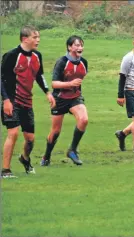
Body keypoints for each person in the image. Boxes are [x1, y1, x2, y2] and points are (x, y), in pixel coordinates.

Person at [1, 25, 55, 177]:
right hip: (12, 101)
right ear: (25, 39)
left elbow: (39, 76)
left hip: (27, 102)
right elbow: (1, 78)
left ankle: (24, 159)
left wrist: (47, 93)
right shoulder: (11, 55)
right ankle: (5, 170)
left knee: (30, 139)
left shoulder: (37, 56)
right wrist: (6, 100)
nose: (38, 40)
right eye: (34, 37)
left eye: (38, 37)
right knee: (13, 133)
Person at [40, 35, 88, 166]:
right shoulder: (62, 62)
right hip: (59, 99)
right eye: (77, 45)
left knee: (84, 120)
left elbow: (79, 81)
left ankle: (72, 150)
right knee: (55, 131)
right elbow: (54, 84)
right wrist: (70, 84)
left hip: (75, 97)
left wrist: (75, 87)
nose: (80, 48)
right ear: (69, 47)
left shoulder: (84, 62)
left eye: (81, 45)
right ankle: (46, 156)